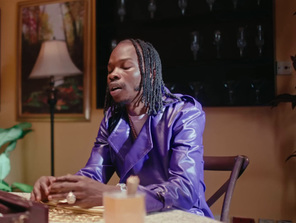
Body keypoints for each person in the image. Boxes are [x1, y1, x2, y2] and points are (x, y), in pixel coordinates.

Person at [30, 39, 213, 218]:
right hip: (130, 215)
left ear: (151, 73)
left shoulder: (184, 112)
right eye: (110, 70)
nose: (113, 74)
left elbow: (184, 189)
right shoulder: (112, 119)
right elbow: (93, 173)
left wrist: (113, 193)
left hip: (181, 215)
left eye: (125, 67)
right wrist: (58, 187)